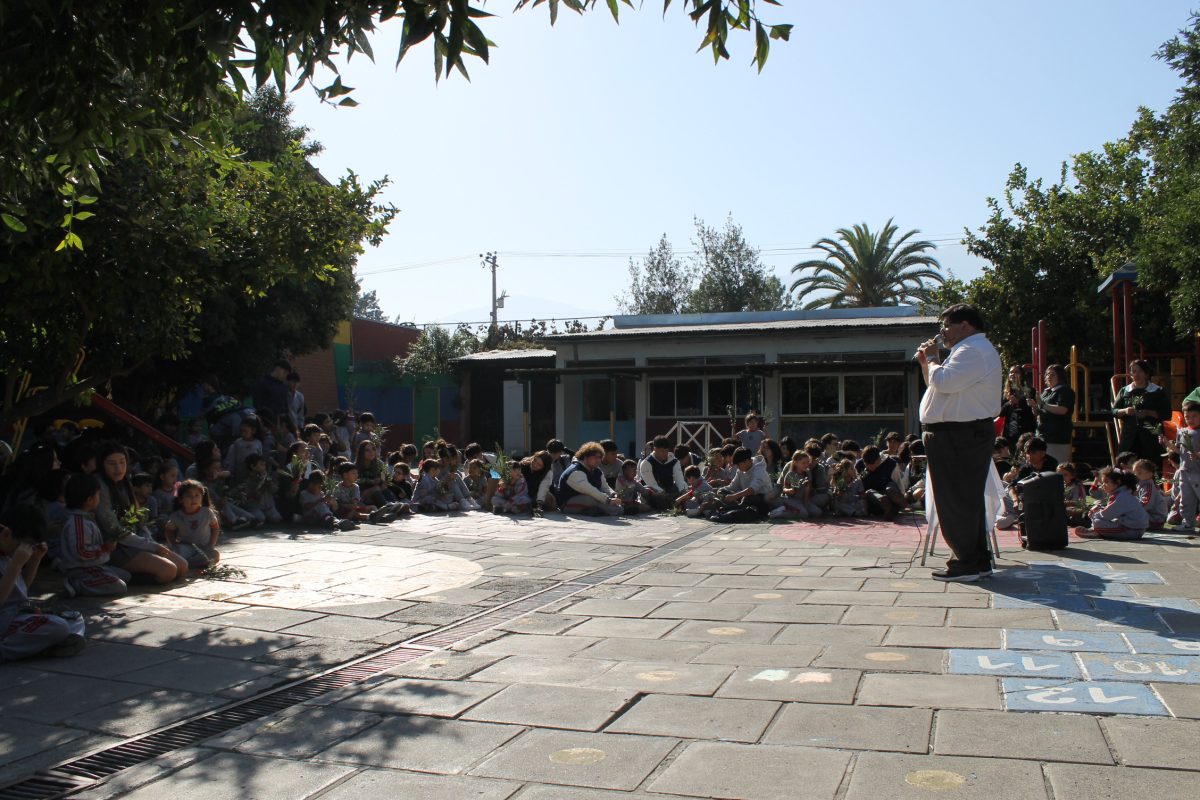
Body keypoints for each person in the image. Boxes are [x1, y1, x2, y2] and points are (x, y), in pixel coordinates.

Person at [917, 303, 1003, 582]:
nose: (943, 332)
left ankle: (965, 562)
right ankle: (976, 560)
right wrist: (926, 363)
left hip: (959, 434)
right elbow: (937, 385)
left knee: (955, 499)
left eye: (947, 325)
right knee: (966, 499)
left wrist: (932, 358)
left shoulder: (972, 350)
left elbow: (944, 381)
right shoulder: (969, 351)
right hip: (957, 433)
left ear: (965, 325)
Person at [0, 504, 87, 660]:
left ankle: (44, 645)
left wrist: (35, 560)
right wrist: (15, 565)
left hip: (18, 615)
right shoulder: (10, 559)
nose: (27, 549)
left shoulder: (9, 555)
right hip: (5, 619)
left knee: (74, 617)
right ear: (7, 534)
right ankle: (7, 650)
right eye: (25, 544)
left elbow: (21, 589)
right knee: (58, 626)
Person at [1112, 359, 1172, 461]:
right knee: (1126, 466)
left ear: (1146, 373)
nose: (1136, 374)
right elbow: (1114, 411)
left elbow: (1167, 414)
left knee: (1151, 466)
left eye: (1140, 371)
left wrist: (1147, 413)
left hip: (1151, 436)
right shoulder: (1125, 391)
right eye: (1133, 371)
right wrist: (1125, 411)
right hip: (1129, 437)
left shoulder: (1157, 391)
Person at [1075, 467, 1148, 540]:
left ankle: (1097, 531)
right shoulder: (1122, 493)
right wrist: (1100, 509)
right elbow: (1112, 512)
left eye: (1106, 482)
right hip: (1132, 528)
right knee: (1098, 519)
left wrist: (1093, 514)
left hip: (1132, 530)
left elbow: (1107, 515)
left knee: (1097, 522)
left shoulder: (1122, 496)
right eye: (1102, 482)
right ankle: (1097, 531)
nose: (1103, 485)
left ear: (1118, 482)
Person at [554, 442, 624, 516]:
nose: (598, 460)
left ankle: (598, 510)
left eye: (600, 457)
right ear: (585, 457)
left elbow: (605, 487)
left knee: (603, 501)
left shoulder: (597, 471)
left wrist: (614, 495)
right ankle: (612, 510)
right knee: (592, 499)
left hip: (588, 499)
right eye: (595, 457)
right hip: (567, 504)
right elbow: (590, 490)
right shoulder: (575, 471)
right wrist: (608, 500)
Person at [164, 480, 219, 570]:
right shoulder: (177, 516)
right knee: (176, 551)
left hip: (203, 547)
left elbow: (215, 527)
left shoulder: (207, 512)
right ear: (181, 499)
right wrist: (173, 542)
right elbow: (168, 529)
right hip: (186, 546)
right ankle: (186, 562)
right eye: (189, 496)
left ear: (202, 497)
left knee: (215, 554)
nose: (193, 498)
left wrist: (211, 544)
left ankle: (187, 564)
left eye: (197, 495)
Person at [1165, 400, 1200, 531]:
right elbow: (1180, 451)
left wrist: (1198, 455)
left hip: (1198, 471)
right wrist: (1168, 445)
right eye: (1187, 417)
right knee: (1186, 499)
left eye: (1194, 416)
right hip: (1184, 470)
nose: (1190, 419)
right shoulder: (1182, 431)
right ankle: (1187, 523)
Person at [1033, 363, 1075, 465]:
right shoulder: (1046, 392)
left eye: (1052, 375)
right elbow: (1038, 411)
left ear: (1060, 377)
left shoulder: (1065, 390)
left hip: (1057, 437)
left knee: (1056, 466)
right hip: (1043, 436)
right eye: (1047, 374)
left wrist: (1042, 404)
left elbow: (1063, 410)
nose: (1048, 377)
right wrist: (1034, 406)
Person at [638, 436, 687, 511]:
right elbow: (652, 484)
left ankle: (673, 503)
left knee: (684, 489)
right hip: (655, 493)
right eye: (662, 451)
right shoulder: (646, 463)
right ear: (654, 449)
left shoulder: (674, 462)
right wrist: (664, 494)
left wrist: (683, 493)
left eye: (667, 451)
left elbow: (679, 480)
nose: (665, 454)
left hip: (669, 491)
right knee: (651, 493)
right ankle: (673, 504)